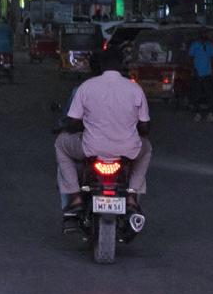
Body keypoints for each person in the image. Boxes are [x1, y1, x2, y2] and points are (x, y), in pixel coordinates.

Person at [58, 46, 151, 221]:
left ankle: (75, 196)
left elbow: (72, 122)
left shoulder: (86, 87)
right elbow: (145, 127)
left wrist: (74, 128)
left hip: (92, 149)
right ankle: (132, 196)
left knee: (61, 144)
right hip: (127, 151)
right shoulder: (135, 89)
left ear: (101, 65)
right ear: (122, 64)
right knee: (147, 149)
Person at [184, 31, 213, 112]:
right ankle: (198, 113)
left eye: (205, 34)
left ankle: (210, 113)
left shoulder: (210, 45)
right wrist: (193, 69)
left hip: (208, 74)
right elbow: (190, 58)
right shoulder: (194, 45)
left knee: (209, 94)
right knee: (197, 94)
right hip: (197, 73)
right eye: (202, 34)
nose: (204, 36)